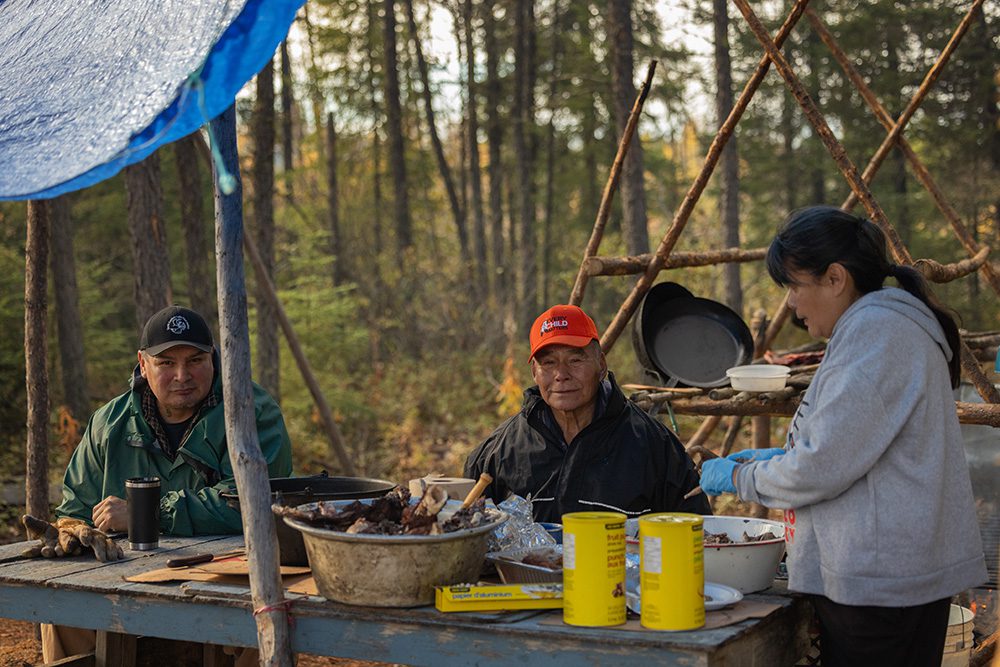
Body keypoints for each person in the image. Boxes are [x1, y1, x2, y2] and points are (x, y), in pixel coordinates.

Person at [699, 206, 987, 667]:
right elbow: (860, 444)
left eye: (795, 286)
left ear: (835, 278)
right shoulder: (882, 328)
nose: (791, 303)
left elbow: (821, 468)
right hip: (895, 576)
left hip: (879, 584)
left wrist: (741, 477)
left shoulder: (877, 333)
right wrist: (783, 453)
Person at [43, 304, 292, 663]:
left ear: (214, 359)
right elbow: (74, 509)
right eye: (166, 363)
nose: (182, 375)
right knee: (61, 604)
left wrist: (146, 514)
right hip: (125, 576)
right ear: (143, 365)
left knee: (263, 608)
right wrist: (71, 530)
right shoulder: (108, 423)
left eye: (194, 360)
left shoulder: (251, 410)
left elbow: (253, 504)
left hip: (228, 570)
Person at [464, 304, 709, 522]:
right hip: (524, 575)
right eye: (548, 363)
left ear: (601, 365)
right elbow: (465, 534)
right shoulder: (499, 451)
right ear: (534, 373)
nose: (561, 374)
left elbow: (696, 533)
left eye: (575, 360)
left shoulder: (655, 446)